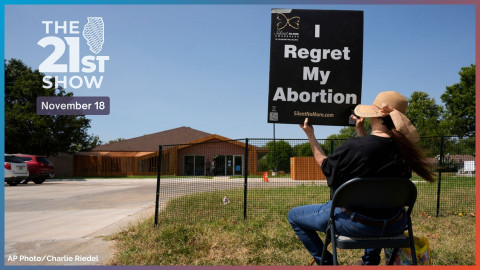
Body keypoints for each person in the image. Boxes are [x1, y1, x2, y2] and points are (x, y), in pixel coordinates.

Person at [288, 91, 434, 265]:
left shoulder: (353, 147)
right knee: (379, 203)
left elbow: (325, 165)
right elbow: (372, 159)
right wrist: (360, 130)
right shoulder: (404, 152)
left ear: (377, 118)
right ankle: (369, 263)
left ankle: (327, 264)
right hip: (395, 223)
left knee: (294, 216)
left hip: (355, 224)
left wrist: (310, 135)